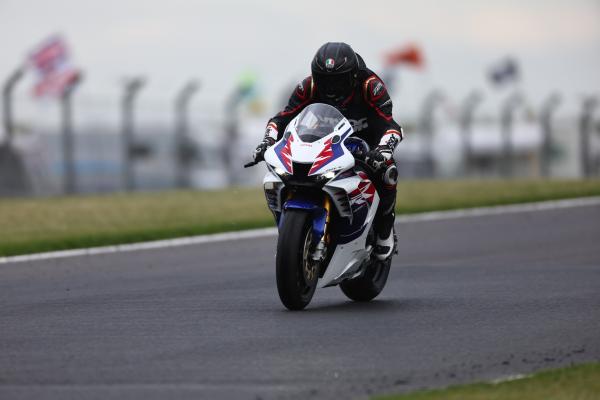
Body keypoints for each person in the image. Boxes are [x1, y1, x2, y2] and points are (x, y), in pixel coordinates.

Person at [252, 42, 403, 260]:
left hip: (365, 141)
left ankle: (385, 230)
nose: (331, 88)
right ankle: (289, 227)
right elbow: (282, 119)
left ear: (352, 76)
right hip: (325, 140)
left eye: (338, 81)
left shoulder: (371, 85)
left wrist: (383, 150)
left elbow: (391, 125)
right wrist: (267, 142)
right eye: (325, 81)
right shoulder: (308, 87)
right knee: (282, 172)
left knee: (388, 172)